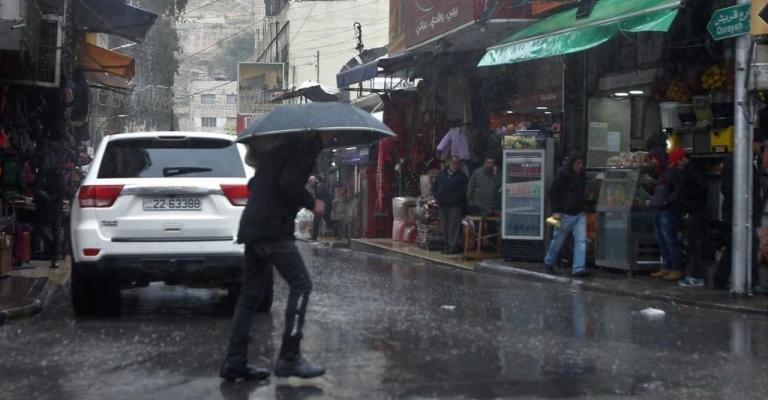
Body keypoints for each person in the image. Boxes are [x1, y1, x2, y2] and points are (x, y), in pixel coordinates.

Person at [220, 134, 325, 381]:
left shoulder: (276, 153)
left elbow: (254, 185)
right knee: (301, 285)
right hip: (272, 229)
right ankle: (290, 357)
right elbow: (288, 183)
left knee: (249, 296)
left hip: (254, 227)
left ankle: (234, 362)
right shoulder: (304, 146)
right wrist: (312, 203)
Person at [716, 139, 767, 291]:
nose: (760, 147)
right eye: (759, 144)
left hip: (744, 212)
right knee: (748, 244)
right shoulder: (737, 160)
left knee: (735, 245)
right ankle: (752, 282)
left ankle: (722, 279)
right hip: (740, 212)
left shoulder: (750, 160)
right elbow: (728, 187)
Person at [544, 152, 589, 277]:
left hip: (575, 212)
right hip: (566, 213)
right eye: (578, 163)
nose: (580, 166)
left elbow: (553, 192)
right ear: (572, 164)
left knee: (579, 240)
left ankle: (578, 268)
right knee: (560, 240)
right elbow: (553, 192)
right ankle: (550, 261)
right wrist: (556, 211)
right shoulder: (563, 175)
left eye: (581, 163)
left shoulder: (576, 174)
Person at [670, 150, 710, 287]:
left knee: (693, 245)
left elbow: (692, 193)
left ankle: (695, 276)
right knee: (694, 244)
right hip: (697, 211)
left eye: (677, 163)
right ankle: (696, 275)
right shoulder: (695, 171)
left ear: (682, 160)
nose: (677, 166)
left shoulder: (690, 174)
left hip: (694, 212)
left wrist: (686, 205)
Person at [649, 148, 685, 282]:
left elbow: (678, 190)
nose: (653, 161)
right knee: (662, 239)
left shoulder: (672, 173)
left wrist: (667, 201)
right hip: (659, 207)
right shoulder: (664, 172)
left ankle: (675, 268)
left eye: (654, 158)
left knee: (669, 239)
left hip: (667, 209)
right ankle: (667, 266)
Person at [433, 156, 469, 254]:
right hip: (443, 204)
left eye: (458, 164)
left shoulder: (462, 176)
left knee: (453, 226)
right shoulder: (442, 174)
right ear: (449, 163)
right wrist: (437, 197)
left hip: (455, 205)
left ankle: (453, 246)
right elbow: (435, 186)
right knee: (444, 226)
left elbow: (463, 191)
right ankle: (446, 246)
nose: (455, 165)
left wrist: (456, 200)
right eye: (454, 163)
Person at [308, 175, 336, 240]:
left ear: (314, 180)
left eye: (311, 181)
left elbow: (319, 196)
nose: (310, 183)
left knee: (317, 220)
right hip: (326, 205)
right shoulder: (319, 185)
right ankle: (337, 234)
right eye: (309, 182)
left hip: (324, 206)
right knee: (328, 221)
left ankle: (314, 237)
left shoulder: (319, 186)